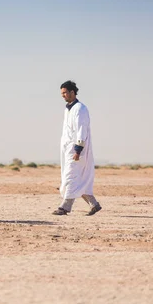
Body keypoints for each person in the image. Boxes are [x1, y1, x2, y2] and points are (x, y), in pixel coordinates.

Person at [53, 81, 102, 216]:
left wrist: (78, 149)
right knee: (77, 178)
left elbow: (81, 130)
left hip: (77, 149)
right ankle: (94, 204)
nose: (63, 95)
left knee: (71, 176)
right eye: (61, 93)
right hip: (68, 149)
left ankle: (65, 207)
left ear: (72, 92)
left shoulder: (80, 109)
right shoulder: (68, 109)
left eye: (65, 93)